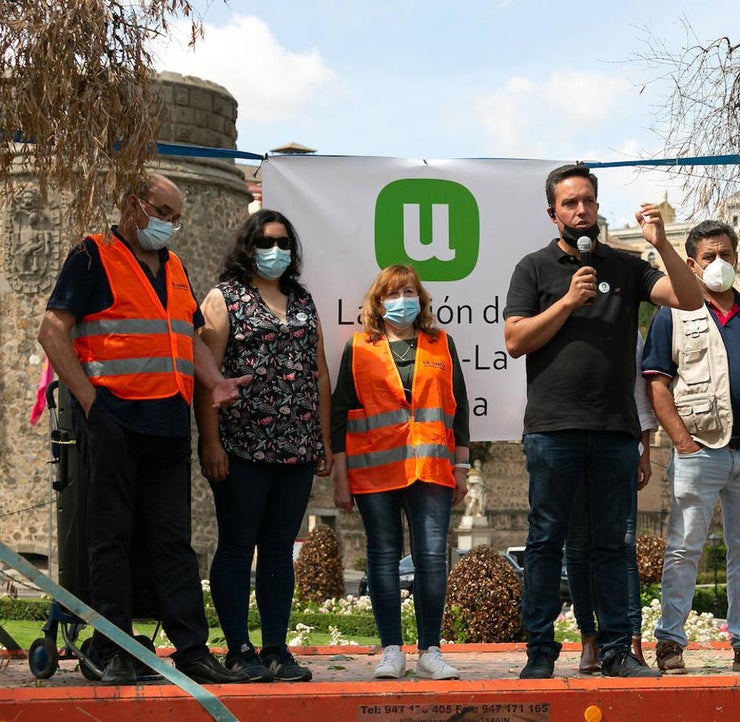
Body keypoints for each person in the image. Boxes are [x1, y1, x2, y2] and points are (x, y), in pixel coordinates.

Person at [36, 173, 250, 685]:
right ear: (133, 205)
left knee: (173, 542)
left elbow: (187, 336)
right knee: (109, 538)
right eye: (164, 213)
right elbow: (51, 331)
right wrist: (91, 404)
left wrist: (215, 381)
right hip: (114, 420)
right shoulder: (92, 256)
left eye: (177, 218)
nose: (170, 225)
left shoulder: (174, 266)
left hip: (169, 423)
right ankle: (114, 648)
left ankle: (192, 650)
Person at [504, 163, 702, 679]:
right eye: (570, 203)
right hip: (553, 430)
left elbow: (690, 298)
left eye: (588, 201)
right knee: (546, 542)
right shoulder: (533, 268)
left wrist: (661, 245)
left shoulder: (625, 265)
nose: (581, 210)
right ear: (553, 213)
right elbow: (515, 340)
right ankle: (540, 653)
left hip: (615, 431)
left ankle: (617, 651)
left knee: (613, 546)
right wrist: (569, 301)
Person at [642, 220, 740, 674]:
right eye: (709, 256)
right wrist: (682, 443)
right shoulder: (673, 313)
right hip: (699, 451)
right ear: (692, 263)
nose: (719, 263)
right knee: (684, 548)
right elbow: (657, 384)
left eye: (726, 254)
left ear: (737, 257)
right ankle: (670, 642)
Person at [194, 210, 333, 682]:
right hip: (241, 445)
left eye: (283, 242)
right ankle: (238, 650)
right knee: (237, 545)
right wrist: (210, 442)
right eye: (266, 242)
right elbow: (206, 377)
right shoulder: (224, 298)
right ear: (248, 246)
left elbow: (319, 373)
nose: (275, 250)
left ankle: (276, 648)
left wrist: (323, 439)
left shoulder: (302, 299)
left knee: (278, 549)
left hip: (296, 445)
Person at [330, 265, 470, 681]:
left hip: (430, 467)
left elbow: (459, 406)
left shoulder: (441, 343)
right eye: (392, 293)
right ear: (378, 302)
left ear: (421, 300)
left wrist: (462, 466)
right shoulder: (359, 347)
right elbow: (340, 412)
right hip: (375, 471)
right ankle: (391, 649)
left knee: (431, 559)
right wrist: (340, 475)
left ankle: (430, 651)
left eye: (409, 292)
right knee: (383, 558)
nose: (402, 300)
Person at [566, 333, 657, 673]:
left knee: (623, 545)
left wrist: (644, 451)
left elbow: (639, 392)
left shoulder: (627, 324)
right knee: (577, 545)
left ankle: (630, 640)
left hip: (619, 443)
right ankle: (588, 639)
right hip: (569, 440)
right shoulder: (558, 311)